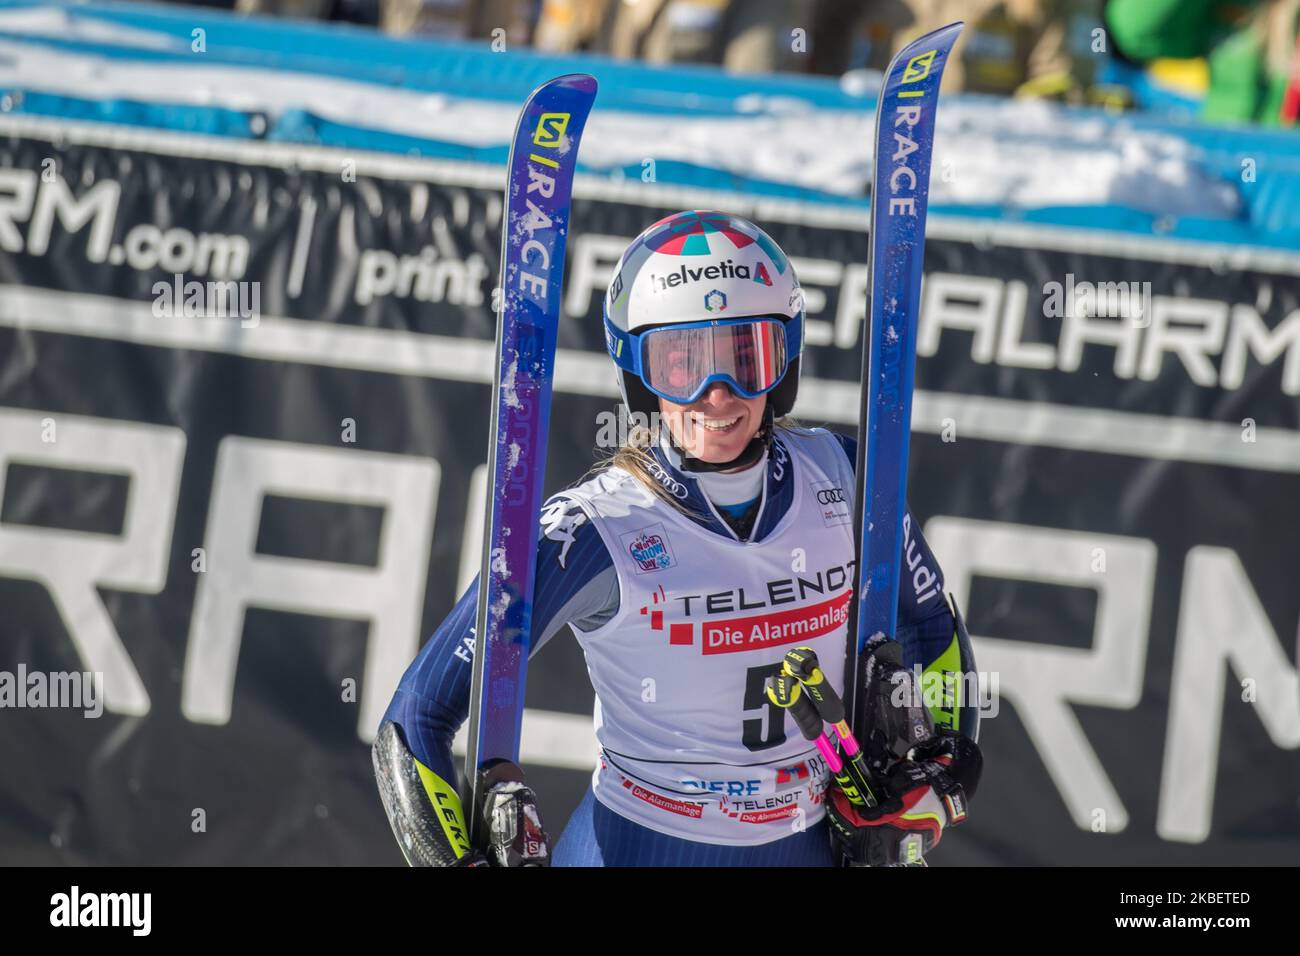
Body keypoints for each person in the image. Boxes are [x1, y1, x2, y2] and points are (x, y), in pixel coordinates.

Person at [372, 210, 982, 867]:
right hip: (636, 847)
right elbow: (414, 722)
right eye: (680, 362)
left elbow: (931, 632)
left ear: (786, 360)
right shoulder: (592, 530)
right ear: (637, 370)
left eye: (746, 357)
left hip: (809, 843)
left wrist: (940, 774)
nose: (717, 394)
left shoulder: (847, 476)